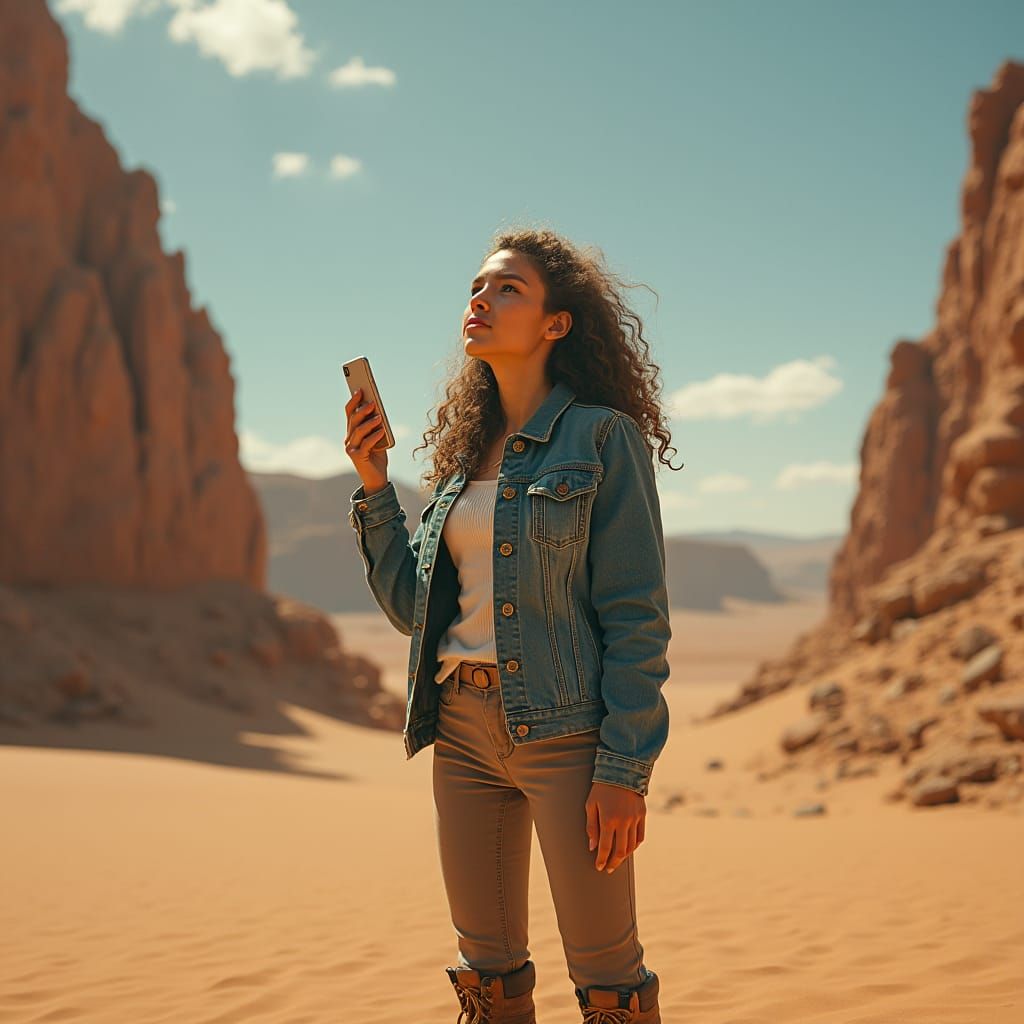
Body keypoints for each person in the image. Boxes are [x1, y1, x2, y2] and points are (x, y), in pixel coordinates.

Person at [344, 226, 682, 1024]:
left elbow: (637, 615)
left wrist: (624, 770)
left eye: (507, 290)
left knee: (609, 983)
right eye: (477, 287)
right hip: (460, 733)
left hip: (567, 735)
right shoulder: (462, 465)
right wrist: (372, 485)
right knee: (486, 979)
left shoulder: (603, 437)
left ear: (556, 323)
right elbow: (409, 608)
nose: (481, 300)